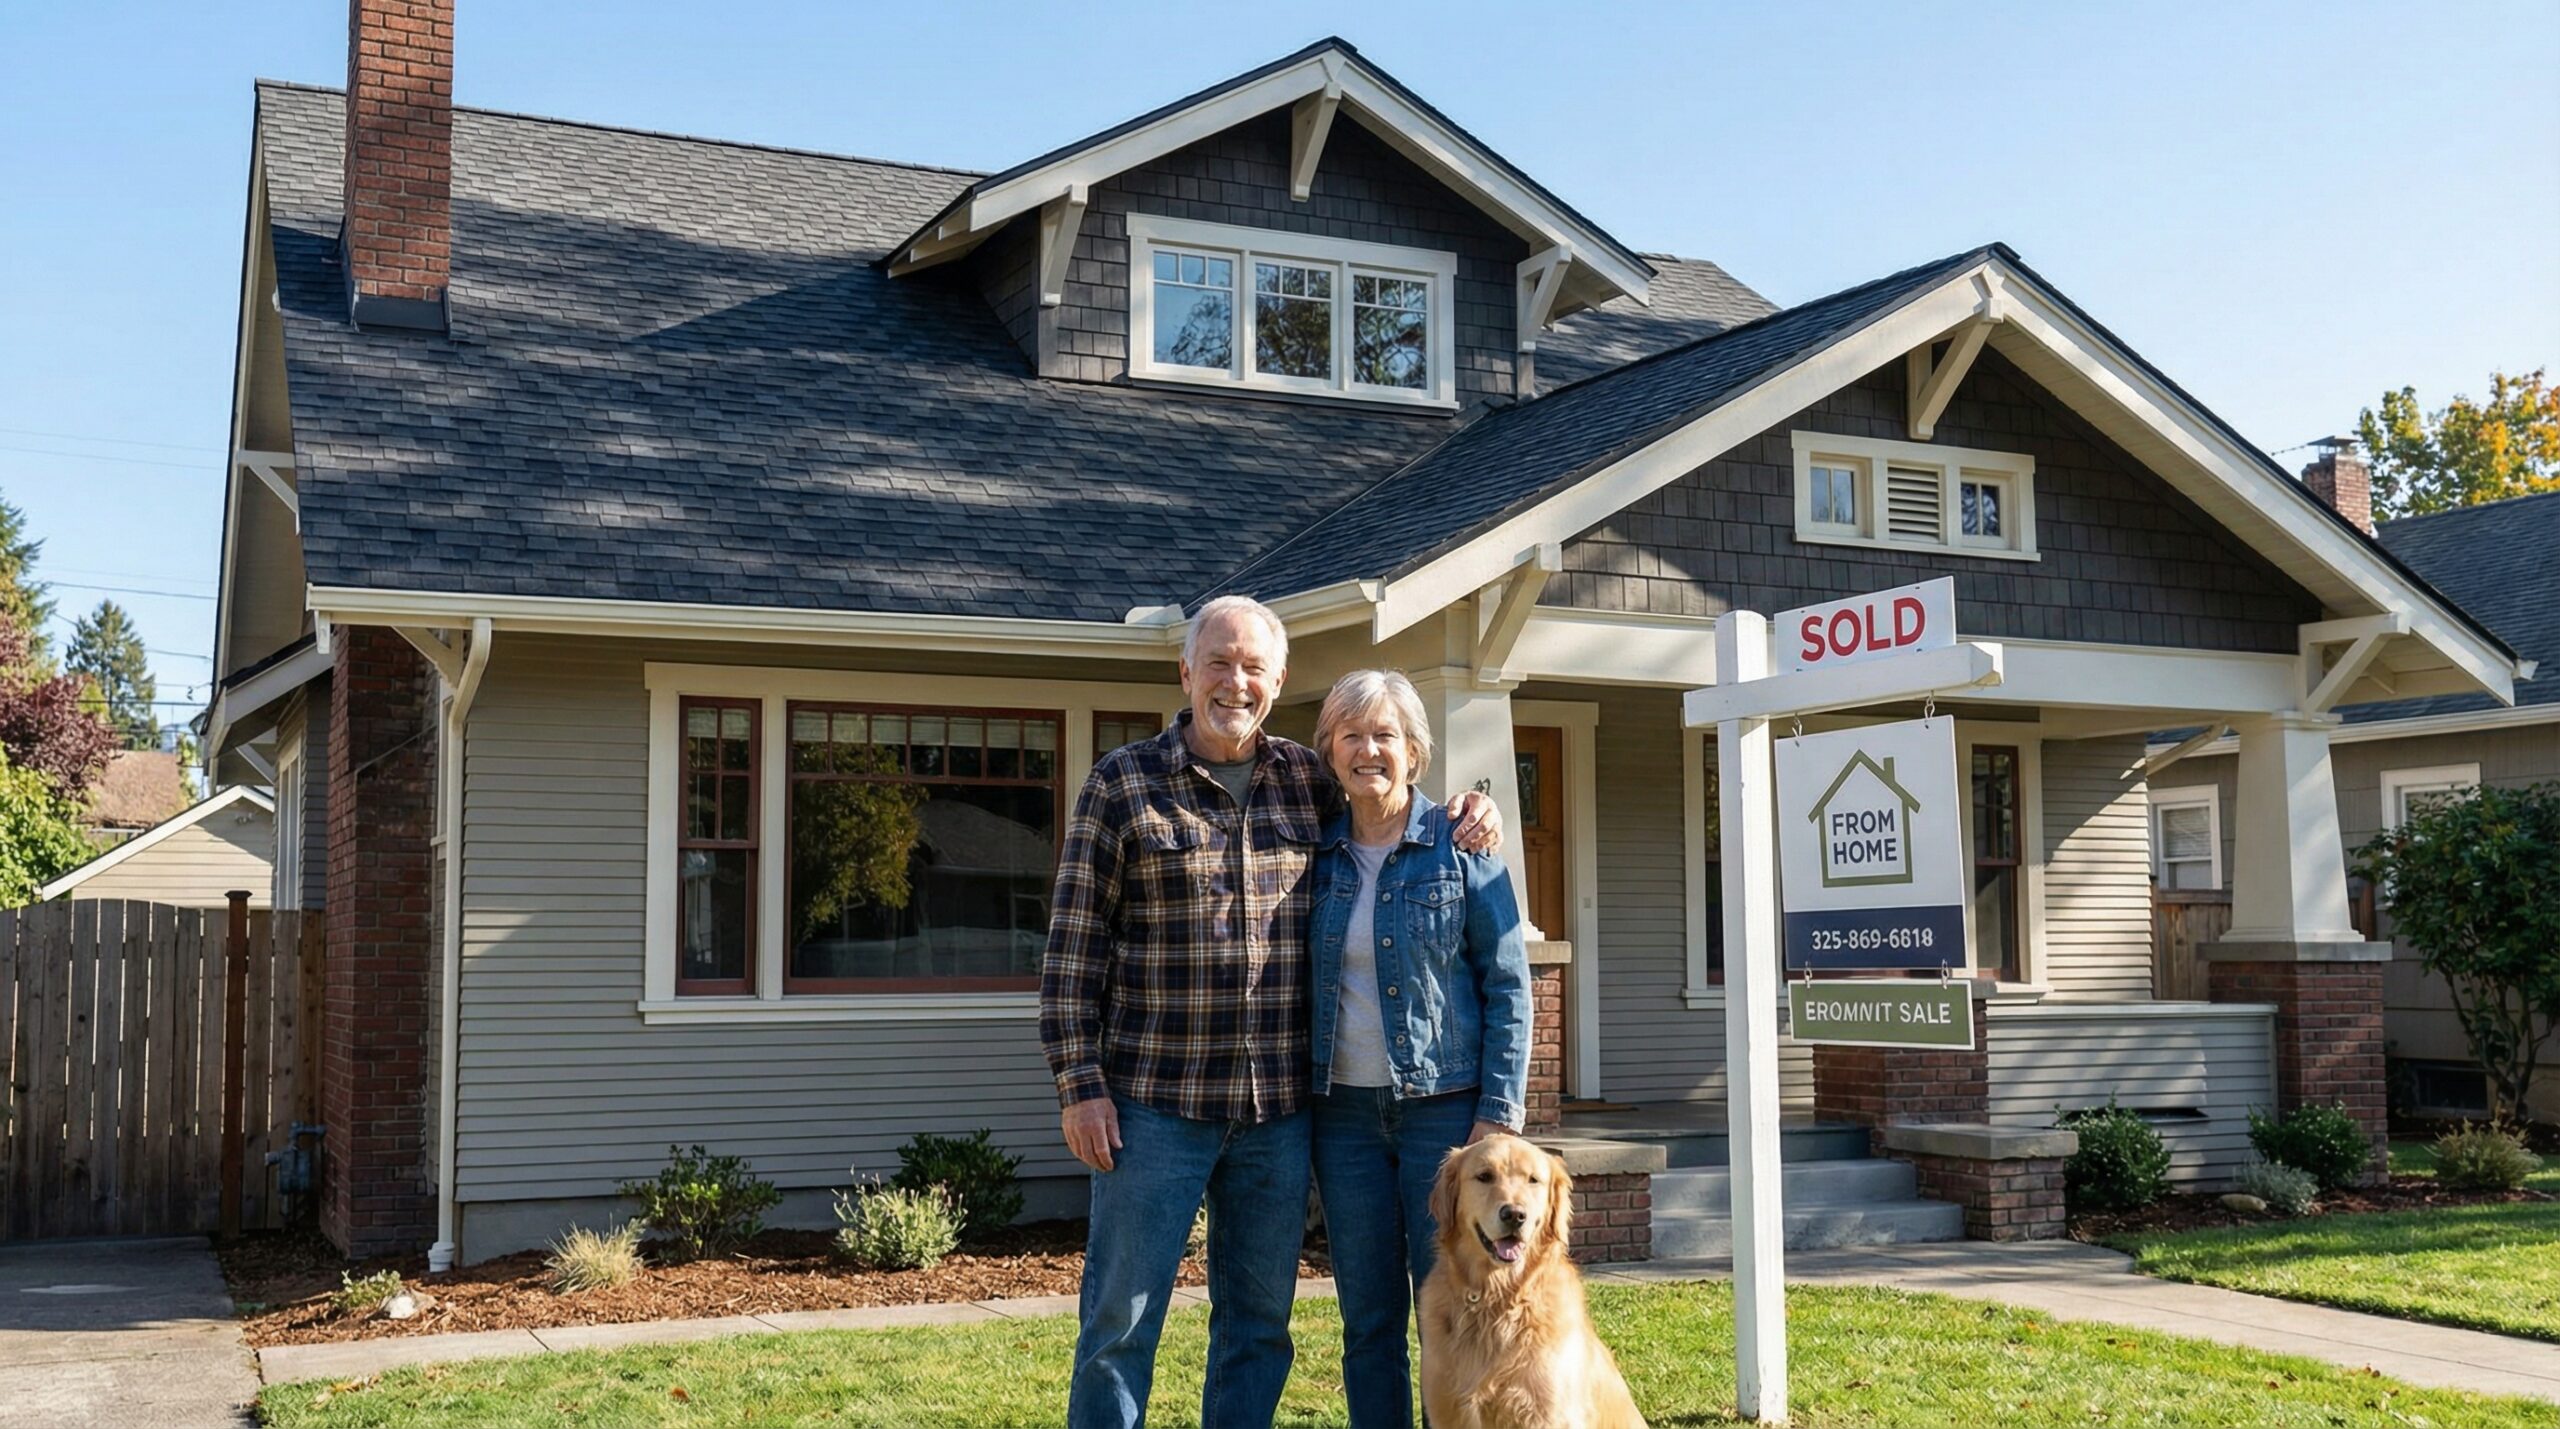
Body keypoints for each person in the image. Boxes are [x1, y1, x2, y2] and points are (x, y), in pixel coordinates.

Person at [1040, 596, 1502, 1429]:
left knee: (1258, 1329)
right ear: (1185, 672)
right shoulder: (1123, 783)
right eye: (1218, 661)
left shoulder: (1303, 778)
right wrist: (1081, 1084)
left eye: (1254, 665)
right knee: (1120, 1325)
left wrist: (1473, 811)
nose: (1235, 680)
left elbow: (1387, 796)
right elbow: (1074, 950)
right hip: (1154, 1107)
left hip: (1277, 1117)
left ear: (1279, 680)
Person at [1306, 669, 1532, 1429]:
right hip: (1344, 1119)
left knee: (1459, 1308)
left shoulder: (1465, 845)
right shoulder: (1314, 851)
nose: (1369, 749)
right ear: (1330, 750)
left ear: (1415, 750)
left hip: (1446, 1117)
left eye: (1385, 735)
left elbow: (1508, 983)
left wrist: (1497, 1116)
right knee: (1368, 1317)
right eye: (1351, 735)